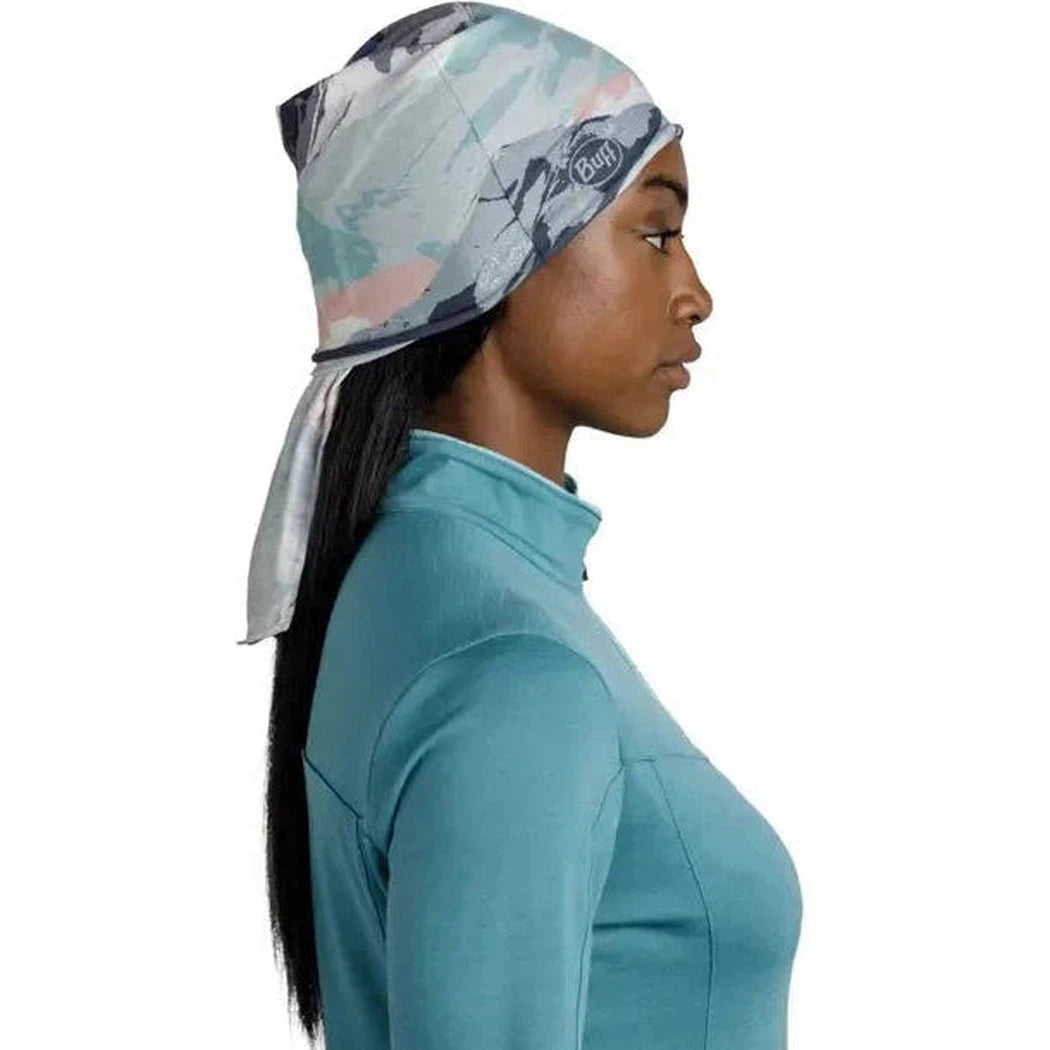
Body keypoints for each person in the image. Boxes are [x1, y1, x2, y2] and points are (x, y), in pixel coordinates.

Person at [240, 5, 803, 1048]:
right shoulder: (513, 665)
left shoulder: (410, 584)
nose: (695, 293)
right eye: (656, 233)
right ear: (501, 247)